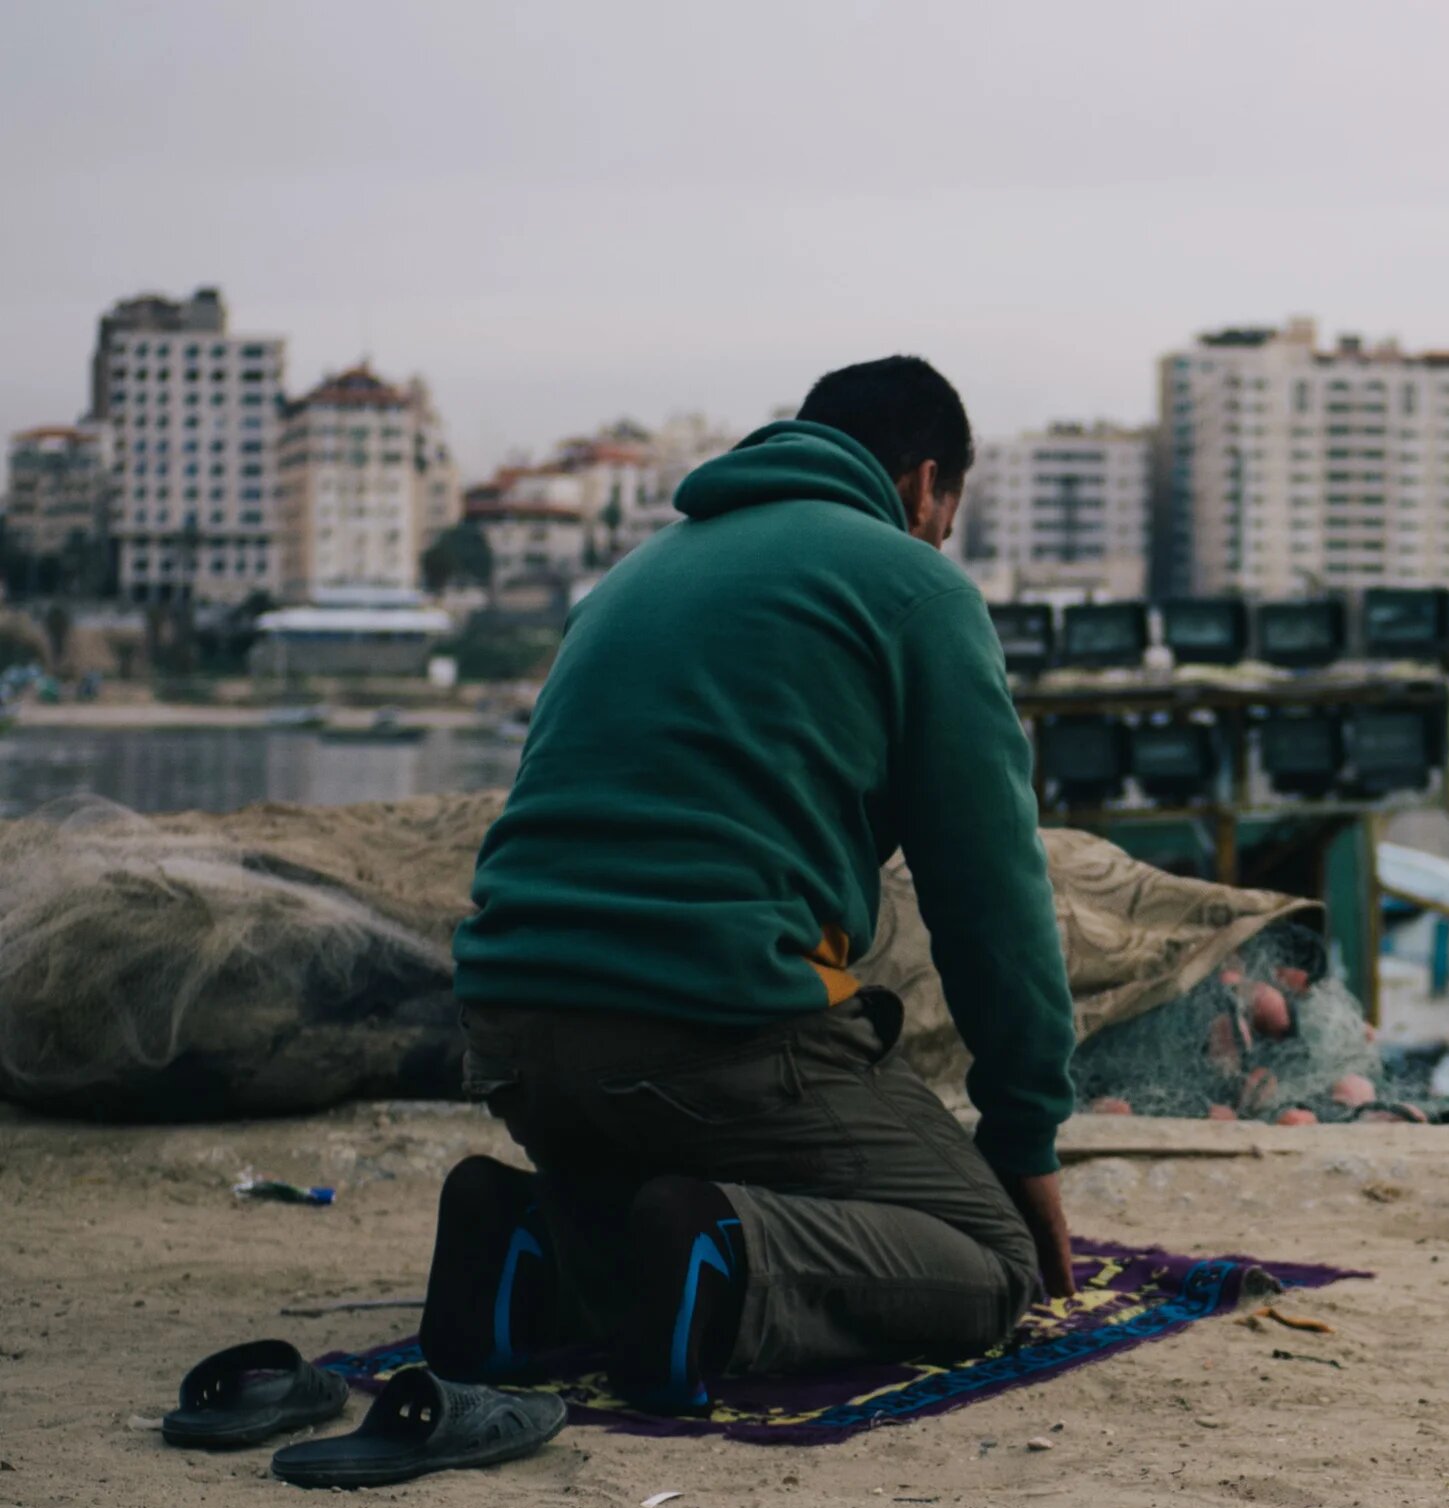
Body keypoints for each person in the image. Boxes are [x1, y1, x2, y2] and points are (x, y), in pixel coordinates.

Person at [424, 357, 1075, 1412]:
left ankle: (533, 1237)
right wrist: (1023, 1135)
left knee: (659, 1177)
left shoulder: (630, 577)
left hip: (511, 1027)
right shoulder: (917, 588)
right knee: (984, 1254)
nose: (940, 540)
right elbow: (991, 894)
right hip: (712, 1024)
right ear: (922, 486)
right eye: (946, 517)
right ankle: (726, 1256)